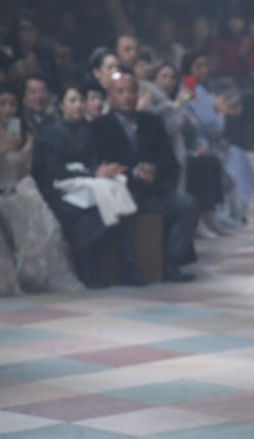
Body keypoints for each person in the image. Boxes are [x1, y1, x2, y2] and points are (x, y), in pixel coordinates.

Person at [90, 69, 199, 283]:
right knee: (127, 207)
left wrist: (154, 171)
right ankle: (130, 268)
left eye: (131, 91)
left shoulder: (152, 122)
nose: (127, 96)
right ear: (111, 96)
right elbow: (100, 161)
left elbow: (169, 161)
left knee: (189, 204)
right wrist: (132, 172)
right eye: (120, 92)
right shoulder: (99, 126)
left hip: (154, 189)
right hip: (122, 189)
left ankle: (171, 261)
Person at [32, 82, 131, 287]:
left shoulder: (88, 130)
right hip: (58, 189)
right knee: (91, 215)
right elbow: (55, 170)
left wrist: (100, 172)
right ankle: (87, 268)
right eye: (72, 100)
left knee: (112, 207)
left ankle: (123, 267)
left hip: (86, 186)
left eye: (81, 101)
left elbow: (93, 160)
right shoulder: (49, 133)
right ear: (61, 105)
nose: (78, 105)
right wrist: (93, 173)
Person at [0, 80, 81, 293]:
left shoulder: (23, 134)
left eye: (12, 104)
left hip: (17, 188)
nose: (8, 109)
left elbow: (23, 174)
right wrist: (2, 151)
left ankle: (31, 273)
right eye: (2, 104)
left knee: (30, 198)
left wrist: (23, 155)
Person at [182, 52, 254, 228]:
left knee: (239, 157)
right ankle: (227, 214)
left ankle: (237, 211)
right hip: (201, 144)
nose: (204, 70)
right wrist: (220, 112)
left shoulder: (201, 88)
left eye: (206, 65)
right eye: (198, 66)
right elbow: (206, 123)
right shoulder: (189, 87)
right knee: (232, 163)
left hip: (214, 142)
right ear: (189, 69)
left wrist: (220, 112)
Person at [148, 61, 225, 237]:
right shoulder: (153, 101)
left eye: (172, 77)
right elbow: (169, 128)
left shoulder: (175, 99)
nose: (169, 81)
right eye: (164, 77)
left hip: (183, 150)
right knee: (201, 168)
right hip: (165, 156)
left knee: (210, 162)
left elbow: (193, 128)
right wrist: (178, 105)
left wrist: (199, 145)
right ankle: (197, 221)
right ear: (155, 80)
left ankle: (209, 215)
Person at [19, 74, 53, 140]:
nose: (39, 97)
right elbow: (11, 145)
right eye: (33, 92)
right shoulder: (14, 121)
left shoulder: (55, 119)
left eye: (43, 91)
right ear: (23, 98)